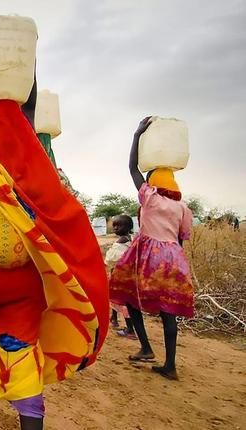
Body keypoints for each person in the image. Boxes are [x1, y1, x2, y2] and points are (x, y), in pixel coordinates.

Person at [0, 11, 109, 430]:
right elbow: (28, 107)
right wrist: (27, 58)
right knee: (22, 348)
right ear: (21, 128)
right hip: (24, 279)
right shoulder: (31, 162)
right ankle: (30, 421)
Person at [109, 116, 195, 381]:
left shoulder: (151, 198)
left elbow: (132, 169)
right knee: (169, 311)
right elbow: (181, 239)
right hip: (174, 258)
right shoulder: (184, 209)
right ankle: (170, 364)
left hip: (148, 256)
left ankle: (146, 347)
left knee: (127, 296)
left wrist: (137, 135)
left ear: (154, 183)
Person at [105, 215, 136, 339]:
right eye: (114, 226)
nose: (116, 228)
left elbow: (111, 259)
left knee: (121, 301)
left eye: (119, 225)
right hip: (130, 276)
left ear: (128, 227)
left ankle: (130, 329)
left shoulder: (121, 241)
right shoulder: (132, 239)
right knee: (116, 299)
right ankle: (114, 318)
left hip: (119, 276)